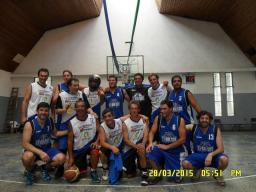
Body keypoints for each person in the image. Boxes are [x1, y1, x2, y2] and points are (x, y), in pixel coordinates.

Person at [21, 102, 65, 185]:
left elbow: (55, 134)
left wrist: (69, 131)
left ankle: (45, 167)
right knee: (27, 157)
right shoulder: (30, 124)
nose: (43, 113)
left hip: (47, 149)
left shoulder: (50, 121)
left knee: (61, 158)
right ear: (37, 111)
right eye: (41, 110)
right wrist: (40, 153)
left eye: (46, 111)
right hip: (34, 150)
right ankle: (30, 170)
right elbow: (25, 144)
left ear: (48, 112)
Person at [182, 111, 229, 186]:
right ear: (199, 119)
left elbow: (221, 149)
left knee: (224, 160)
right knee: (185, 164)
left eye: (206, 118)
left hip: (213, 156)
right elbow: (180, 126)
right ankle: (197, 170)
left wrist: (210, 154)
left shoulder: (215, 129)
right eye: (202, 118)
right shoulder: (194, 127)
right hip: (198, 155)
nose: (204, 120)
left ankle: (217, 174)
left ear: (210, 120)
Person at [146, 100, 186, 184]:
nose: (162, 111)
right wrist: (150, 143)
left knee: (175, 178)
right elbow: (152, 132)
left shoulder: (179, 120)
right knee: (150, 152)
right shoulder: (158, 118)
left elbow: (182, 139)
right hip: (162, 147)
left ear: (171, 109)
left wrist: (168, 146)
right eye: (161, 109)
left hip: (175, 149)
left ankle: (169, 167)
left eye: (164, 109)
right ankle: (158, 174)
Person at [55, 78, 94, 153]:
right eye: (74, 85)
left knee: (78, 144)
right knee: (63, 146)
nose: (76, 87)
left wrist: (92, 112)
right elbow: (57, 110)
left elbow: (88, 107)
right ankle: (61, 162)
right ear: (69, 86)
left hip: (79, 122)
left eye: (77, 85)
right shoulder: (61, 95)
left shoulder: (81, 94)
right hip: (65, 123)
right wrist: (64, 110)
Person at [67, 99, 101, 183]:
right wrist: (71, 157)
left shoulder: (93, 118)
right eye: (78, 107)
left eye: (82, 106)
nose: (80, 108)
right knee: (76, 174)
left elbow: (100, 131)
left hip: (90, 145)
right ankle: (85, 163)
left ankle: (93, 171)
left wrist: (97, 142)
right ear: (75, 109)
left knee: (95, 151)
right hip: (79, 149)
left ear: (86, 108)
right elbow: (70, 141)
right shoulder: (72, 122)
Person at [168, 75, 201, 154]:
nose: (177, 83)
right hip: (175, 125)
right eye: (175, 81)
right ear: (172, 83)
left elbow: (196, 106)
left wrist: (203, 118)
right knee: (178, 146)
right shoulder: (170, 94)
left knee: (188, 146)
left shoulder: (186, 93)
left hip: (187, 124)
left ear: (181, 82)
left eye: (178, 81)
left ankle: (191, 162)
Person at [122, 101, 149, 186]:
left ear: (139, 109)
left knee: (141, 149)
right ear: (129, 110)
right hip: (129, 148)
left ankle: (144, 173)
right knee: (129, 175)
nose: (134, 110)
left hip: (140, 146)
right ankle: (134, 167)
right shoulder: (125, 123)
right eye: (132, 108)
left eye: (136, 108)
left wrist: (143, 144)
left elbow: (146, 135)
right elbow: (126, 140)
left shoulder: (144, 120)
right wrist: (137, 146)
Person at [98, 108, 123, 181]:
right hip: (110, 148)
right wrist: (112, 147)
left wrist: (142, 116)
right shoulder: (102, 127)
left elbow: (130, 115)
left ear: (113, 116)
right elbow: (102, 142)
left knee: (121, 173)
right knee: (101, 152)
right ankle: (105, 169)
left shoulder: (119, 121)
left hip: (120, 147)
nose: (107, 118)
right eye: (105, 117)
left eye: (109, 116)